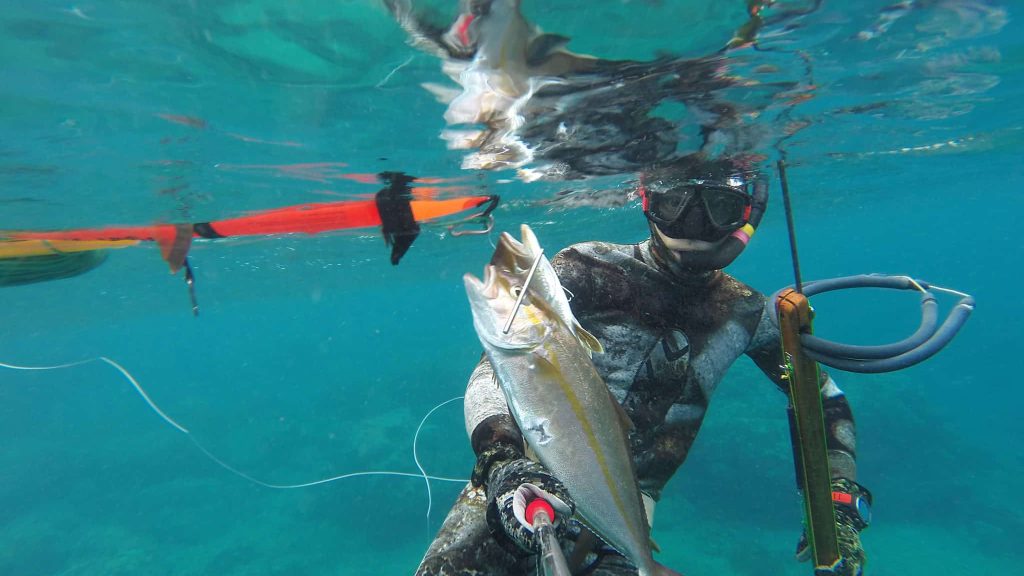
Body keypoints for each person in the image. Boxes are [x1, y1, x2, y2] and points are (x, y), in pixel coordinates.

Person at [415, 156, 871, 576]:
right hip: (521, 479)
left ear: (747, 214)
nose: (695, 224)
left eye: (720, 206)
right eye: (675, 203)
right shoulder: (584, 266)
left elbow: (820, 398)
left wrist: (836, 506)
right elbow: (496, 370)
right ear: (648, 202)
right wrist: (503, 461)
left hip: (626, 520)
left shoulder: (749, 313)